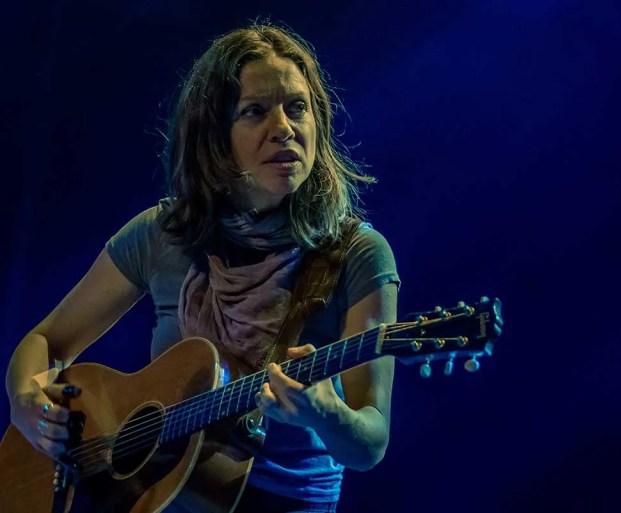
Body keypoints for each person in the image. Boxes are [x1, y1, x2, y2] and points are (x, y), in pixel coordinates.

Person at [5, 21, 399, 513]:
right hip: (155, 498)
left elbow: (369, 444)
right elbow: (46, 342)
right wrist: (26, 403)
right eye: (255, 111)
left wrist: (327, 415)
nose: (284, 127)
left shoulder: (356, 252)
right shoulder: (162, 233)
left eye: (297, 107)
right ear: (214, 135)